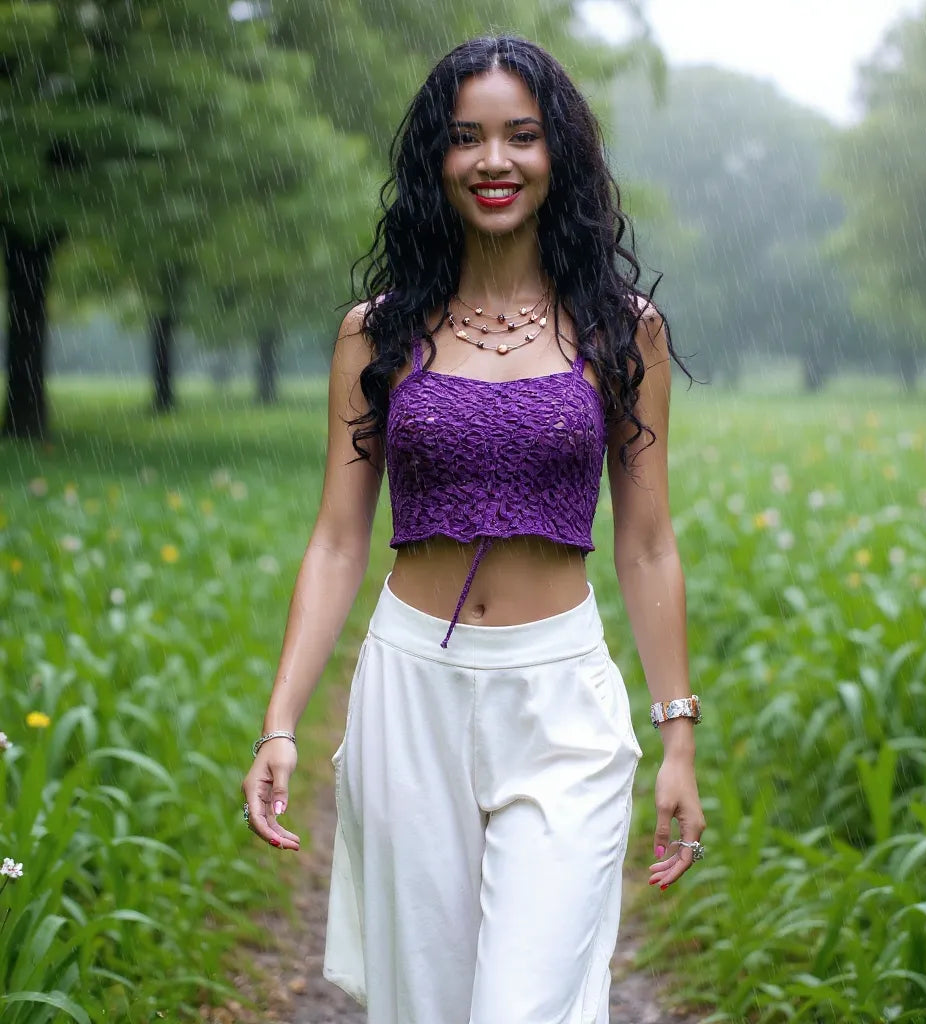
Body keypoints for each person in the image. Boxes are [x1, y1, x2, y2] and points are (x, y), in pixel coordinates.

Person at [240, 34, 705, 1024]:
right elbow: (335, 541)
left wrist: (678, 739)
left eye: (521, 136)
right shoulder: (377, 333)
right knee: (430, 1006)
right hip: (412, 696)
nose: (494, 161)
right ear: (434, 162)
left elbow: (647, 542)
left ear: (557, 156)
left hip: (562, 706)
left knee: (519, 1005)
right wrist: (281, 720)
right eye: (466, 139)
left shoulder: (625, 332)